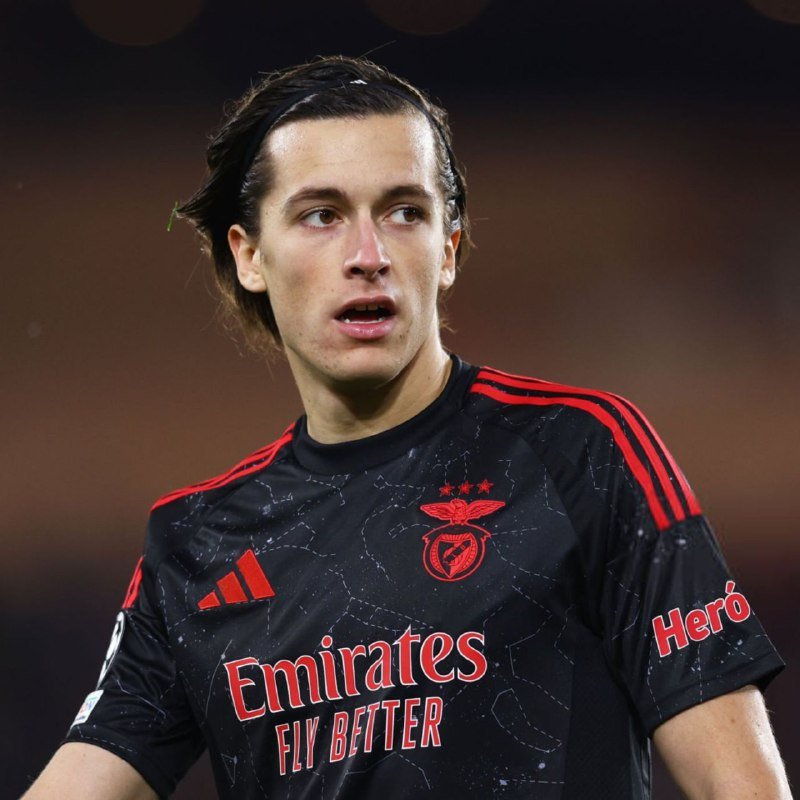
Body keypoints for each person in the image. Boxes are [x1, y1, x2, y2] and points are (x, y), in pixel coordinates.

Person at [23, 55, 791, 800]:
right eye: (321, 216)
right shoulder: (201, 543)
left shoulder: (579, 452)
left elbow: (739, 784)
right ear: (250, 255)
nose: (368, 255)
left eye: (404, 213)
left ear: (448, 250)